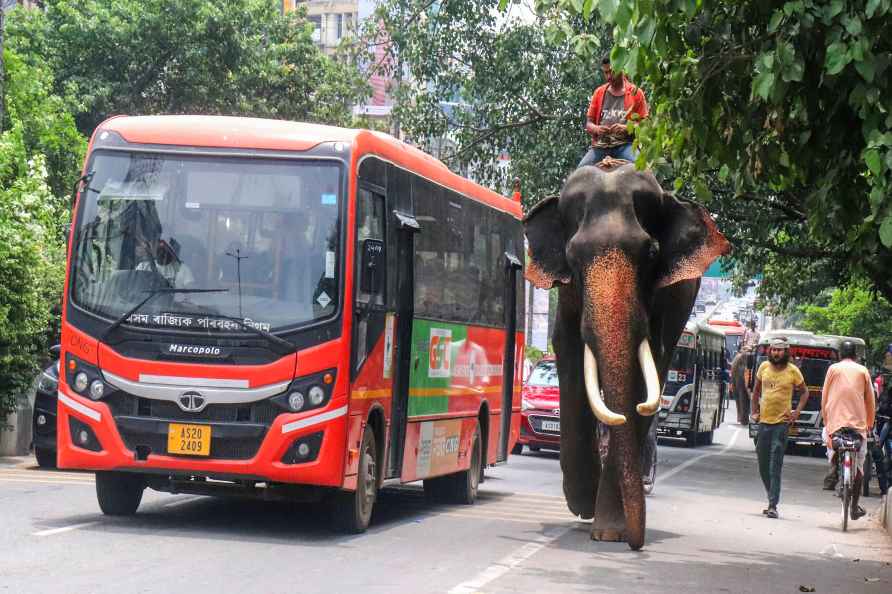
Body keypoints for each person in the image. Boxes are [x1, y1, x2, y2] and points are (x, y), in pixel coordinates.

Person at [750, 337, 808, 519]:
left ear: (786, 352)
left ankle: (773, 504)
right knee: (762, 464)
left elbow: (805, 392)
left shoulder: (793, 371)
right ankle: (771, 496)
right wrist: (754, 412)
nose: (776, 353)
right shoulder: (763, 368)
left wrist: (796, 412)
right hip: (764, 422)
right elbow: (756, 391)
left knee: (775, 464)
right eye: (773, 350)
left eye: (779, 350)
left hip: (781, 424)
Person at [820, 340, 876, 520]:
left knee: (829, 442)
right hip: (858, 426)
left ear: (839, 354)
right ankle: (853, 507)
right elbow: (870, 400)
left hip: (835, 424)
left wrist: (827, 421)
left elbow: (825, 397)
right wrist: (869, 423)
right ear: (856, 355)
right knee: (859, 468)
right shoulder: (863, 371)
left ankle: (835, 467)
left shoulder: (833, 369)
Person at [577, 53, 648, 168]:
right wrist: (597, 129)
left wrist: (626, 128)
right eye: (606, 73)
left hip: (626, 145)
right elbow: (589, 124)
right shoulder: (598, 92)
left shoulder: (636, 93)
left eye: (611, 71)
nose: (609, 76)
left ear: (621, 68)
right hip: (601, 146)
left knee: (643, 170)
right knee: (580, 171)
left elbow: (645, 125)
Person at [731, 346, 752, 425]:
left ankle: (742, 417)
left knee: (741, 400)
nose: (748, 352)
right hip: (740, 380)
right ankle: (743, 418)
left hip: (738, 380)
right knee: (743, 399)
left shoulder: (737, 358)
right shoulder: (741, 358)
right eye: (747, 350)